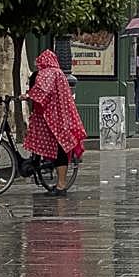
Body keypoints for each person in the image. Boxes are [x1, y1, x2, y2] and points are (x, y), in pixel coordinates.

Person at [25, 50, 86, 196]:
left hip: (54, 117)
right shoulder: (59, 73)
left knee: (59, 148)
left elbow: (42, 90)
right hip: (61, 117)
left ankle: (61, 185)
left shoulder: (48, 73)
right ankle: (59, 182)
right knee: (59, 147)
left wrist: (26, 96)